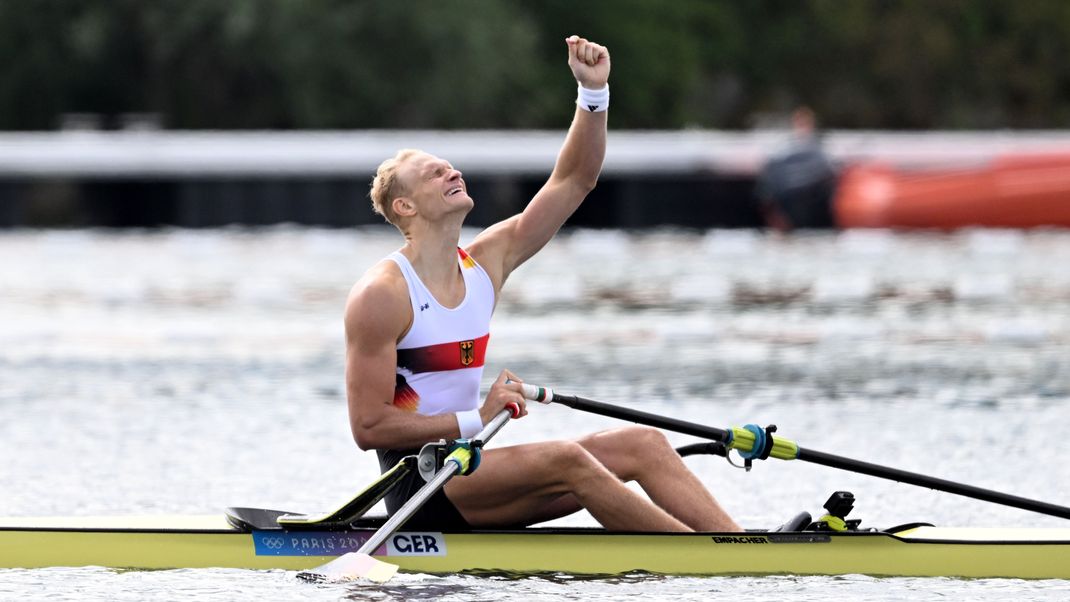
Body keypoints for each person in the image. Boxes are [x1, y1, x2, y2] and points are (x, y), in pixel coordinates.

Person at [344, 35, 742, 533]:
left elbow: (573, 182)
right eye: (433, 174)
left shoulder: (488, 261)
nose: (453, 171)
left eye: (450, 166)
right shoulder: (382, 294)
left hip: (469, 468)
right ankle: (710, 563)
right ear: (405, 207)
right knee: (566, 457)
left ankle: (739, 545)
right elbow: (369, 426)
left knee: (644, 443)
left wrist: (592, 95)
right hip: (421, 486)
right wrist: (478, 417)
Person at [755, 106, 838, 230]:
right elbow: (769, 184)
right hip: (789, 202)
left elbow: (831, 176)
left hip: (814, 204)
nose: (803, 127)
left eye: (806, 123)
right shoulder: (782, 152)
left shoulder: (820, 151)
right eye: (800, 122)